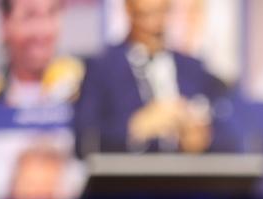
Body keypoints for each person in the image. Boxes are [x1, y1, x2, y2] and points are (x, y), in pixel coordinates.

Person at [72, 0, 229, 155]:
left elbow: (227, 130)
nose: (155, 24)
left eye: (162, 12)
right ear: (129, 11)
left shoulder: (193, 69)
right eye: (145, 15)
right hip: (129, 177)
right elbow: (85, 138)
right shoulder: (103, 68)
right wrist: (136, 128)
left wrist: (202, 137)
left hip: (187, 176)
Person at [0, 0, 82, 108]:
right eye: (29, 15)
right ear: (5, 23)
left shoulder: (84, 89)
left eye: (51, 13)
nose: (42, 30)